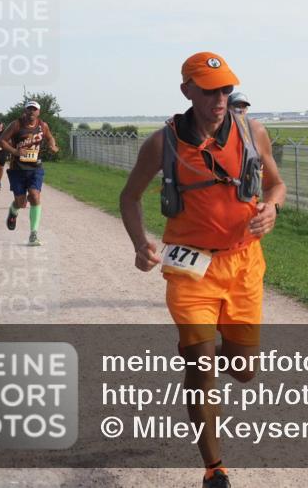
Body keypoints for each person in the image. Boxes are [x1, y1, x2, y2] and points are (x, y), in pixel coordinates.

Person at [119, 52, 285, 488]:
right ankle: (215, 469)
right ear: (187, 90)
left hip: (244, 263)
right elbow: (129, 197)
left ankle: (208, 347)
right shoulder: (163, 142)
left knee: (244, 369)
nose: (219, 98)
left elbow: (276, 184)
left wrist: (273, 208)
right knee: (201, 368)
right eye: (210, 90)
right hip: (190, 268)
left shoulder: (253, 132)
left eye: (226, 89)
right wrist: (140, 244)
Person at [0, 101, 59, 246]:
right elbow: (2, 141)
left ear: (39, 112)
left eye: (34, 109)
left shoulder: (43, 126)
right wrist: (15, 152)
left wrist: (52, 145)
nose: (32, 111)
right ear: (25, 110)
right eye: (29, 109)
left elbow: (49, 137)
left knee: (34, 195)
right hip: (17, 168)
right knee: (21, 202)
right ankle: (13, 211)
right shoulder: (16, 125)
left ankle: (33, 234)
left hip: (35, 167)